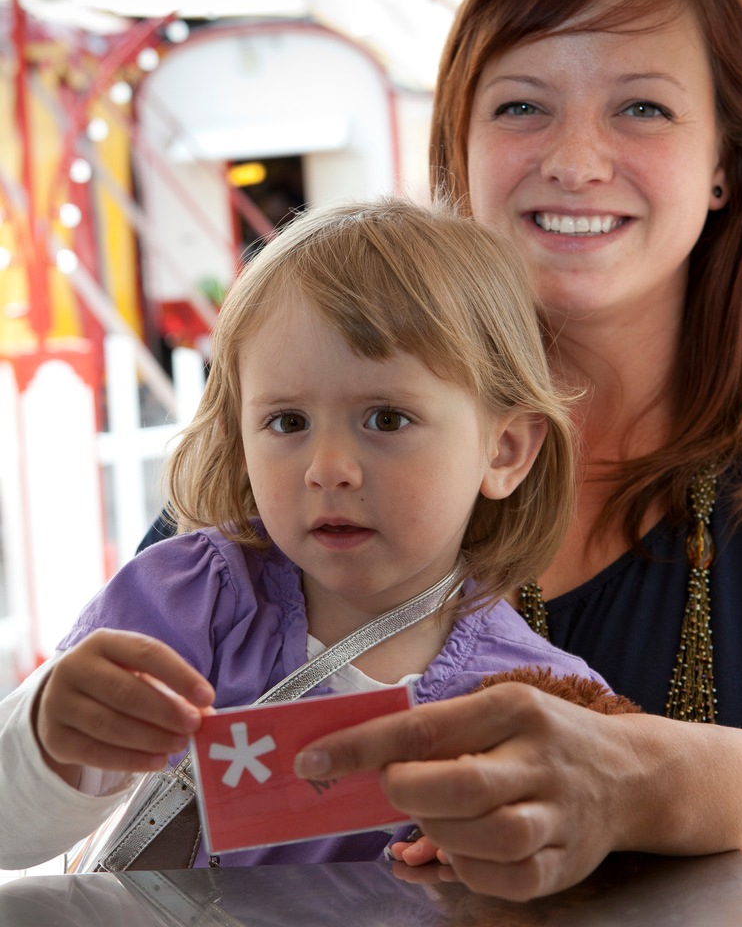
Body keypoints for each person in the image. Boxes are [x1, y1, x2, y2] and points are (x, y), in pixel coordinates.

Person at [289, 0, 742, 901]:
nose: (574, 159)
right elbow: (113, 736)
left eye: (640, 108)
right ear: (459, 154)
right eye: (521, 106)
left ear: (724, 168)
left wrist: (638, 786)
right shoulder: (315, 417)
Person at [0, 197, 604, 872]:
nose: (329, 469)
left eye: (386, 418)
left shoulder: (534, 700)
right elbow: (10, 832)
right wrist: (48, 739)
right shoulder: (185, 605)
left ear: (505, 451)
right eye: (288, 423)